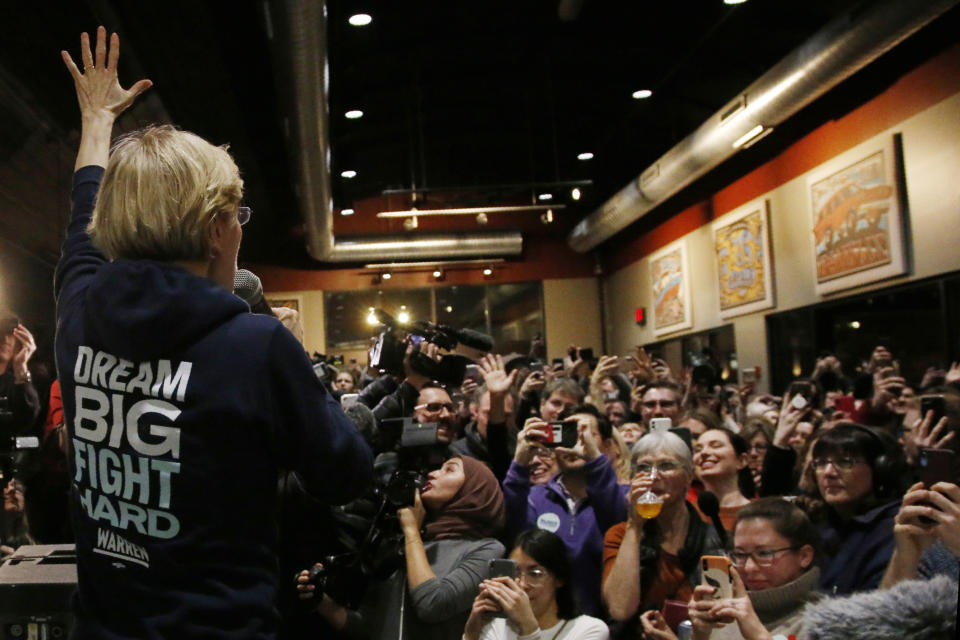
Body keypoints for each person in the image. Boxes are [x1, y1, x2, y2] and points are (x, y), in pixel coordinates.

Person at [57, 28, 372, 638]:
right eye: (237, 216)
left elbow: (81, 215)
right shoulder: (257, 347)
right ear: (213, 231)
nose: (240, 230)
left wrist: (97, 122)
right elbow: (345, 475)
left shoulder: (80, 311)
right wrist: (312, 380)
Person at [299, 455, 506, 639]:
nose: (433, 474)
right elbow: (370, 628)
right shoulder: (402, 543)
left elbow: (432, 605)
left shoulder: (487, 550)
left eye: (449, 469)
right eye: (438, 468)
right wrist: (321, 601)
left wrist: (411, 531)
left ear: (475, 491)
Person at [503, 404, 626, 617]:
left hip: (603, 624)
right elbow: (511, 531)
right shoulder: (535, 497)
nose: (576, 443)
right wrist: (520, 461)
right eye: (568, 434)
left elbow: (617, 522)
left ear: (606, 446)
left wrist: (594, 461)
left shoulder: (622, 495)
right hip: (538, 622)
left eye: (585, 434)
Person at [602, 431, 724, 629]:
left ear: (689, 475)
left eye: (666, 466)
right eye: (643, 468)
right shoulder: (620, 534)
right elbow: (620, 609)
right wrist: (635, 525)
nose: (653, 476)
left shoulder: (717, 538)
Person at [682, 498, 822, 640]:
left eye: (764, 554)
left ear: (804, 556)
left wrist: (756, 631)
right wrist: (701, 635)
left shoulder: (826, 623)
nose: (749, 568)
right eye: (740, 555)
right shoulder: (722, 615)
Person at [801, 423, 905, 594]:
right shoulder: (818, 522)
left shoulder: (898, 528)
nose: (828, 472)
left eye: (845, 462)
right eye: (820, 463)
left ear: (881, 469)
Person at [463, 529, 609, 640]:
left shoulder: (590, 630)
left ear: (559, 579)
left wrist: (529, 630)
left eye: (535, 574)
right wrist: (471, 634)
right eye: (516, 573)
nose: (523, 585)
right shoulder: (496, 626)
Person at [693, 428, 753, 531]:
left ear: (741, 460)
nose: (704, 452)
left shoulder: (761, 513)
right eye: (698, 450)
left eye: (716, 446)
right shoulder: (685, 513)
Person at [0, 313, 40, 440]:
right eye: (0, 331)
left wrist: (20, 366)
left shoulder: (18, 383)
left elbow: (25, 421)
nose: (5, 339)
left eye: (11, 333)